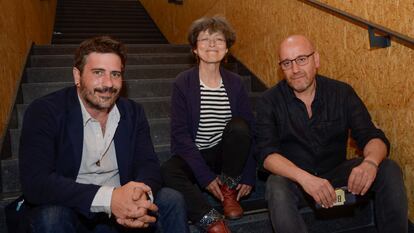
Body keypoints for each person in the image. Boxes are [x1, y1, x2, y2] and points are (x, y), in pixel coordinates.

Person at [18, 36, 190, 233]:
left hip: (124, 205)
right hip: (74, 207)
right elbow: (36, 182)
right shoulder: (45, 111)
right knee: (50, 217)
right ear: (77, 75)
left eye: (115, 74)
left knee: (171, 199)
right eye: (98, 72)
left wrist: (139, 197)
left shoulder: (133, 112)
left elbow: (148, 164)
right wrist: (109, 199)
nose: (108, 83)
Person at [256, 35, 408, 233]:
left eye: (302, 59)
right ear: (281, 68)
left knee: (387, 168)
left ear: (316, 60)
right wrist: (305, 179)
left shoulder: (341, 93)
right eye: (287, 63)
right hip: (296, 180)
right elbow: (267, 155)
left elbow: (371, 136)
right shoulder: (269, 101)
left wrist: (370, 163)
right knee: (275, 184)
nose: (295, 70)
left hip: (337, 174)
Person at [161, 16, 256, 233]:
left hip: (226, 156)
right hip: (195, 154)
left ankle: (229, 192)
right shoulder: (182, 82)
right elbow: (180, 135)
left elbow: (249, 130)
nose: (212, 44)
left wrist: (249, 174)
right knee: (167, 171)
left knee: (240, 125)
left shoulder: (236, 83)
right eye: (204, 39)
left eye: (218, 40)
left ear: (226, 49)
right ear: (195, 49)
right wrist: (204, 176)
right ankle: (211, 220)